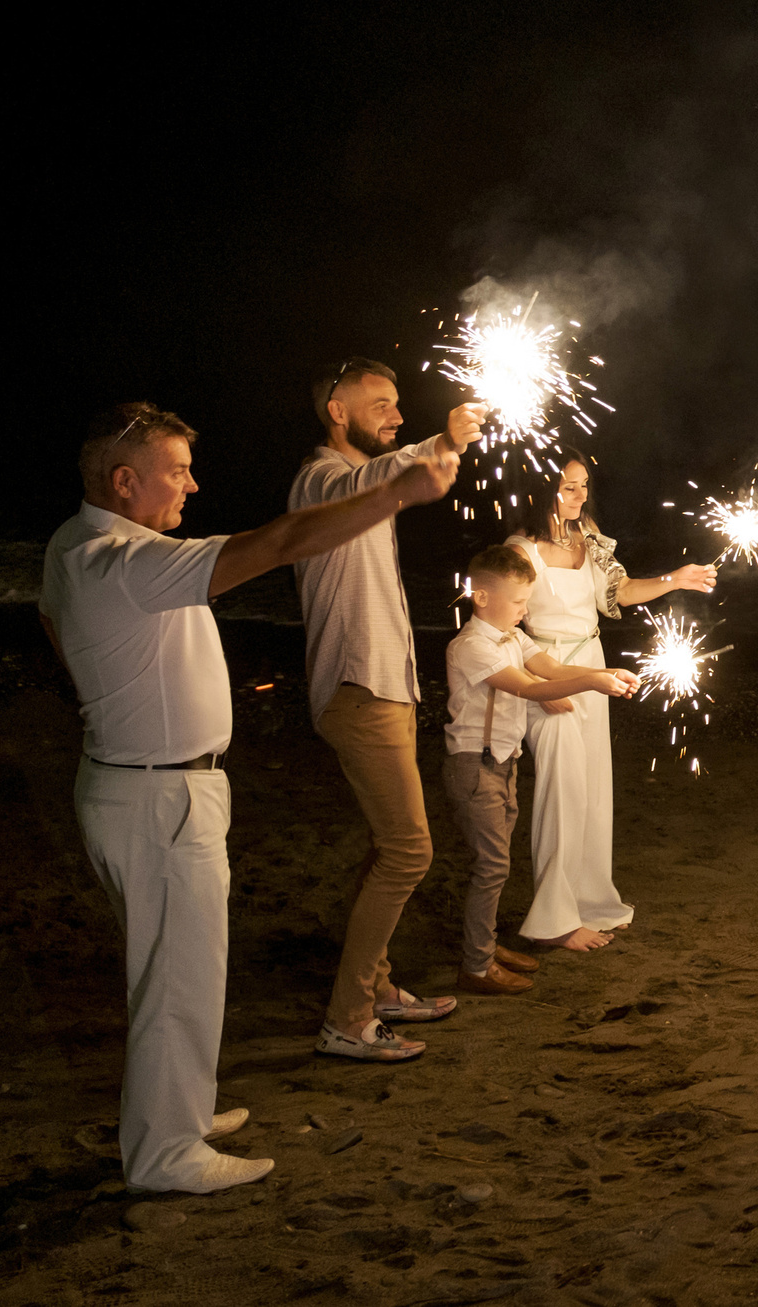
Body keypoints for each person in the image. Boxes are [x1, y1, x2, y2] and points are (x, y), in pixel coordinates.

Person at [44, 402, 457, 1185]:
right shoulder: (125, 559)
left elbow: (48, 618)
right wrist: (395, 493)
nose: (193, 485)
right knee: (174, 977)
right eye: (178, 470)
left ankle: (184, 1110)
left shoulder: (74, 543)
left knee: (183, 967)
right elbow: (279, 541)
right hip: (159, 795)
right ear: (125, 480)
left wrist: (107, 694)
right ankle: (166, 1152)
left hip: (141, 782)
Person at [291, 358, 484, 1061]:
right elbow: (372, 479)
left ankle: (376, 987)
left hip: (384, 686)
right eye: (381, 404)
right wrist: (442, 441)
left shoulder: (364, 490)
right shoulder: (323, 477)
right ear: (337, 410)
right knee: (409, 850)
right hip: (356, 688)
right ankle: (348, 1017)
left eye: (400, 405)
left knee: (388, 844)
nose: (395, 414)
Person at [505, 455, 717, 948]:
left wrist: (674, 579)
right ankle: (553, 922)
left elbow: (619, 592)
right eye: (567, 488)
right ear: (541, 491)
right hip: (548, 675)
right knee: (561, 794)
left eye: (583, 486)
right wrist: (541, 690)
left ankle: (591, 902)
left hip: (593, 668)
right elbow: (507, 628)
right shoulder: (520, 551)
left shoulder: (590, 536)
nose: (579, 497)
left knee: (593, 790)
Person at [441, 543, 639, 992]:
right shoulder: (470, 646)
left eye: (527, 602)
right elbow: (527, 689)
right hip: (474, 768)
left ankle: (485, 947)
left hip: (502, 765)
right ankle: (476, 964)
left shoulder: (512, 636)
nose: (525, 611)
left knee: (498, 862)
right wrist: (594, 682)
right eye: (517, 603)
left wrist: (606, 671)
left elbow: (546, 666)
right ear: (482, 597)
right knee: (490, 866)